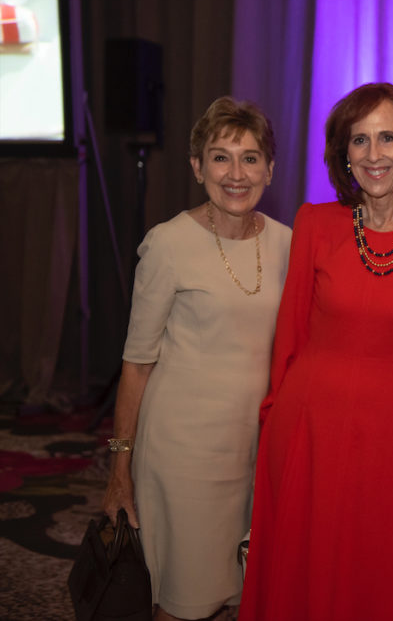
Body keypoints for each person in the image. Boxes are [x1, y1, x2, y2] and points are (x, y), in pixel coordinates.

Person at [238, 83, 393, 621]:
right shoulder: (315, 223)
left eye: (388, 137)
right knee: (303, 574)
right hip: (307, 429)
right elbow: (289, 337)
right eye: (359, 140)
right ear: (344, 154)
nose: (374, 153)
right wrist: (272, 424)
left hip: (392, 435)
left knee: (379, 577)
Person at [102, 97, 291, 621]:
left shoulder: (287, 245)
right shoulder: (167, 244)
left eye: (250, 158)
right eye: (220, 157)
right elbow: (136, 364)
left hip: (254, 453)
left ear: (270, 170)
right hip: (182, 454)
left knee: (239, 590)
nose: (236, 173)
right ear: (197, 167)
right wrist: (120, 471)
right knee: (184, 602)